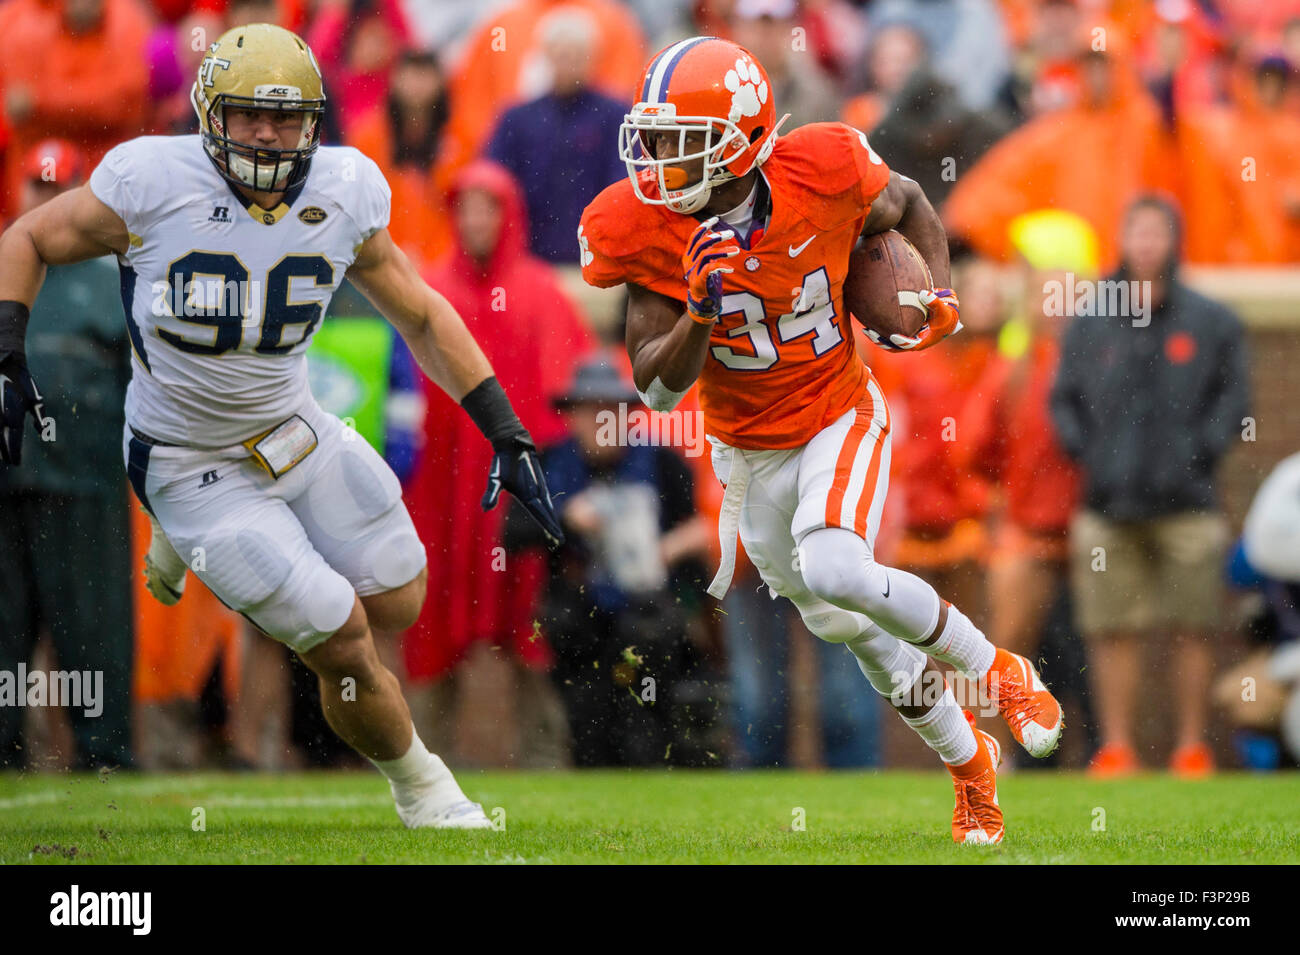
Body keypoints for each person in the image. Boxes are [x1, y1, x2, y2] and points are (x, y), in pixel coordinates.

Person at [0, 24, 563, 828]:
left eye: (286, 117)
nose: (267, 134)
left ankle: (188, 542)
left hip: (292, 426)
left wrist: (506, 429)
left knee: (399, 597)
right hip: (188, 457)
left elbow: (424, 316)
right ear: (206, 114)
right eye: (246, 115)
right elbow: (27, 236)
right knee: (338, 634)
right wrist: (6, 346)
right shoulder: (151, 181)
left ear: (315, 121)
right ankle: (425, 786)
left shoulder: (343, 189)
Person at [579, 36, 1063, 844]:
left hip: (837, 413)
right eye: (653, 138)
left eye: (677, 139)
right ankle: (970, 762)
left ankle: (997, 670)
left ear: (735, 140)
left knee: (837, 564)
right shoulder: (645, 225)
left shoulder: (822, 169)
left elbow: (906, 198)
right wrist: (701, 308)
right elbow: (657, 385)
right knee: (842, 619)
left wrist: (939, 291)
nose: (658, 159)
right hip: (743, 450)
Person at [1050, 195, 1251, 777]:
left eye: (1155, 231)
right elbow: (1064, 400)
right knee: (1112, 629)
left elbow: (1233, 400)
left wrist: (1198, 454)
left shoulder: (1211, 320)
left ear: (1175, 239)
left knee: (1193, 625)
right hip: (1107, 506)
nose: (1145, 242)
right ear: (1121, 238)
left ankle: (1191, 747)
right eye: (1134, 230)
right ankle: (1118, 749)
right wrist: (1093, 457)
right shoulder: (1091, 318)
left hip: (1189, 504)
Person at [0, 140, 134, 769]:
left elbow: (147, 385)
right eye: (38, 187)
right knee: (3, 630)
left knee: (94, 627)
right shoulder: (6, 267)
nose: (47, 200)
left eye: (61, 189)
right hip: (7, 484)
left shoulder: (116, 280)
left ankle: (104, 753)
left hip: (87, 484)